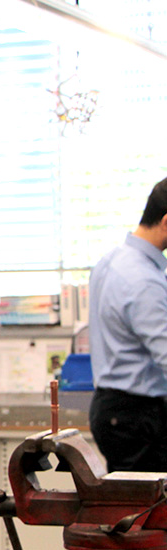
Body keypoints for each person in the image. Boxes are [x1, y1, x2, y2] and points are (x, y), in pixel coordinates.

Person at [89, 176, 167, 473]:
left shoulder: (112, 261)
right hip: (137, 416)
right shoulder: (143, 279)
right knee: (146, 515)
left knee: (130, 510)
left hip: (115, 410)